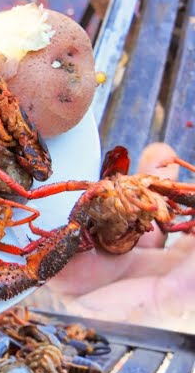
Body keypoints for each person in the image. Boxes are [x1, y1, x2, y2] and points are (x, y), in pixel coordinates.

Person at [28, 142, 195, 332]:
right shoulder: (104, 196)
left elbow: (168, 221)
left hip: (117, 248)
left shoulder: (149, 202)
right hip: (103, 241)